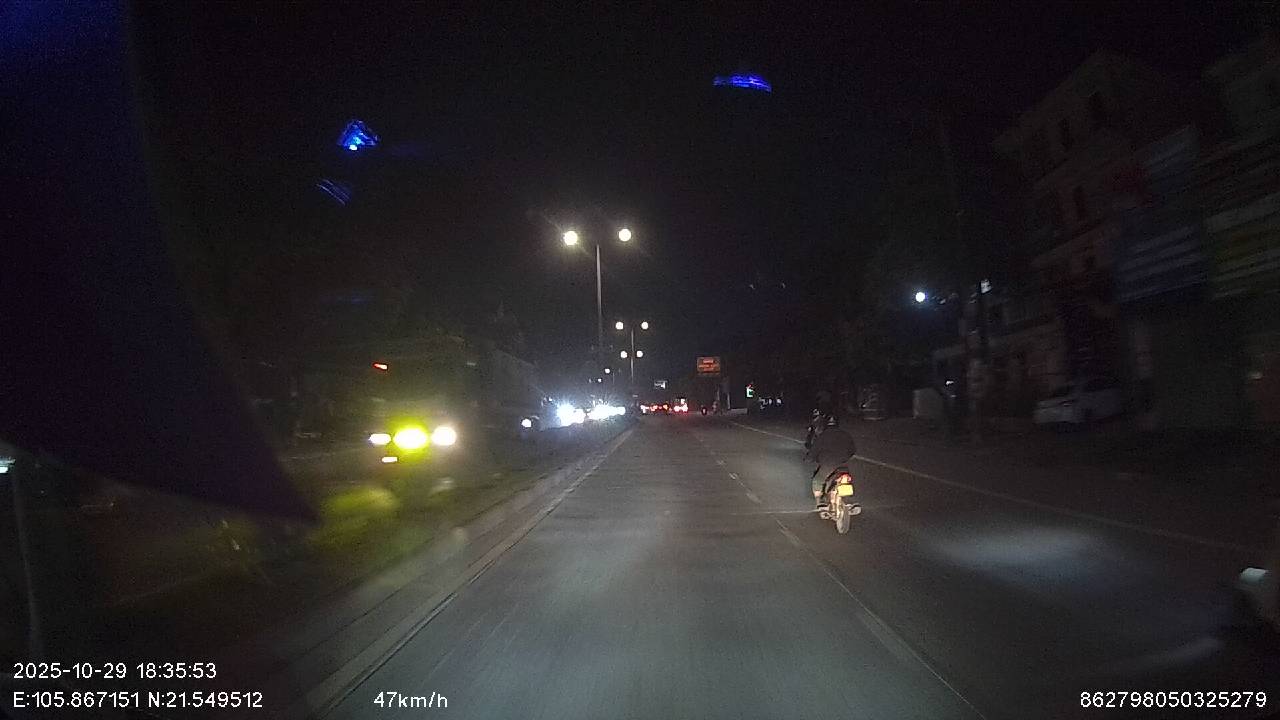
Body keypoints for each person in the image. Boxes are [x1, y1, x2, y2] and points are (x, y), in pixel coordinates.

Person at [803, 414, 856, 509]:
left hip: (827, 466)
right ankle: (848, 500)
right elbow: (852, 450)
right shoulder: (846, 435)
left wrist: (808, 459)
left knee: (817, 481)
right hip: (843, 465)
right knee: (847, 479)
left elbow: (813, 452)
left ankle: (820, 501)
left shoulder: (822, 436)